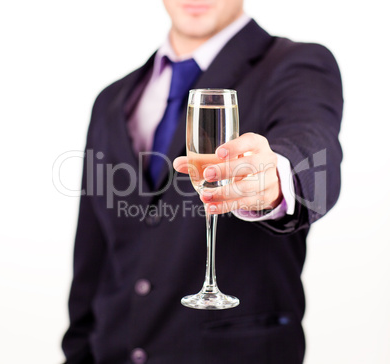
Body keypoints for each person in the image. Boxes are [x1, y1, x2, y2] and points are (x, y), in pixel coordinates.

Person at [62, 0, 343, 363]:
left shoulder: (296, 65)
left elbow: (314, 151)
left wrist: (273, 177)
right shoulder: (111, 100)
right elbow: (91, 254)